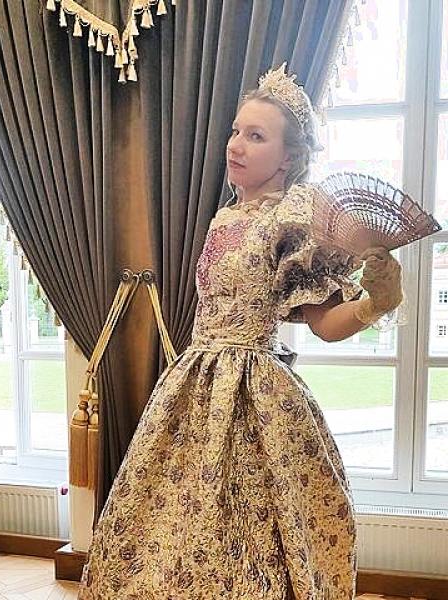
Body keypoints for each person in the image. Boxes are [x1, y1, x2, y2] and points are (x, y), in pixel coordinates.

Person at [76, 63, 403, 600]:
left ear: (289, 157)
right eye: (235, 131)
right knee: (169, 524)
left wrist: (377, 303)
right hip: (192, 384)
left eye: (256, 136)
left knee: (250, 529)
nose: (236, 145)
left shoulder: (294, 219)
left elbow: (324, 323)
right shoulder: (223, 218)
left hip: (256, 389)